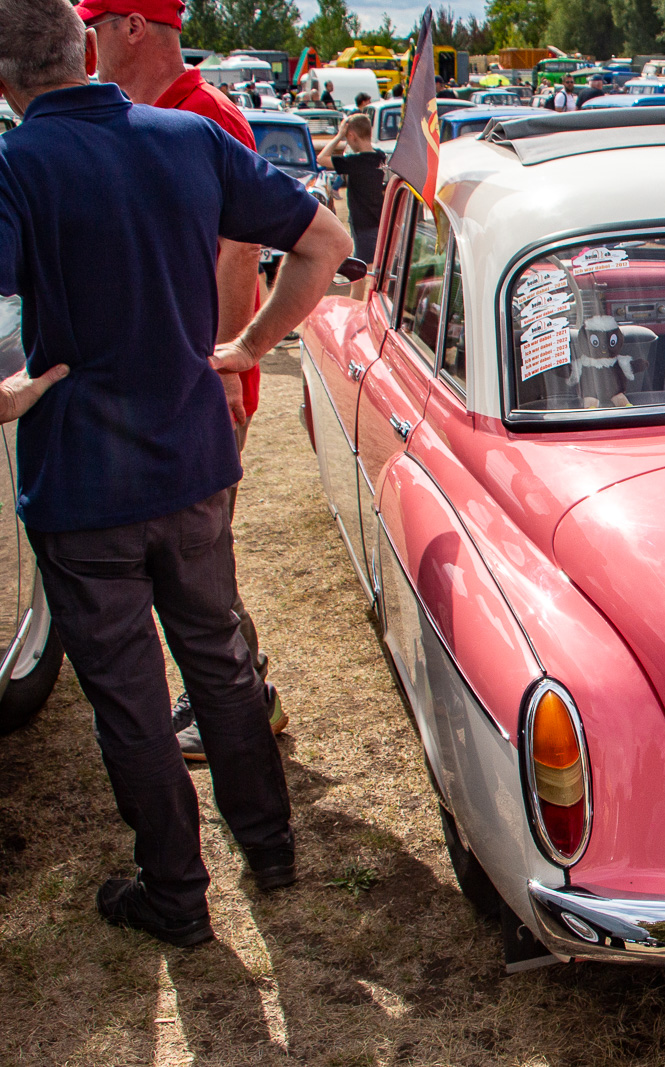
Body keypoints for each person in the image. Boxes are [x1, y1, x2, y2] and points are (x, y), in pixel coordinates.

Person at [0, 0, 349, 946]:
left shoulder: (16, 165)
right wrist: (247, 345)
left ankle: (177, 892)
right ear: (84, 46)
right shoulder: (187, 137)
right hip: (192, 458)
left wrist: (12, 390)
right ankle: (270, 850)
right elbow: (327, 242)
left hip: (83, 486)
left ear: (4, 80)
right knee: (220, 664)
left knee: (132, 696)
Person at [86, 0, 286, 762]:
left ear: (133, 28)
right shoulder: (153, 112)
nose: (88, 46)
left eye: (94, 28)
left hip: (202, 381)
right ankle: (224, 693)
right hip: (174, 383)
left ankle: (244, 697)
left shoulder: (205, 113)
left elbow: (239, 253)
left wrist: (228, 365)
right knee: (194, 554)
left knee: (201, 558)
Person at [317, 112, 384, 263]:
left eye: (347, 138)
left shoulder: (354, 162)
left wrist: (339, 136)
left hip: (362, 223)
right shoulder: (380, 157)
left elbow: (321, 158)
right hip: (380, 220)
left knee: (362, 271)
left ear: (352, 135)